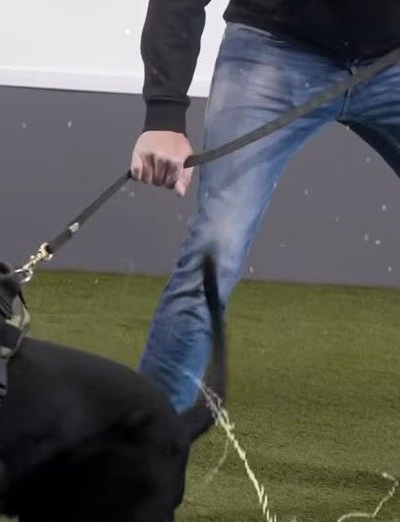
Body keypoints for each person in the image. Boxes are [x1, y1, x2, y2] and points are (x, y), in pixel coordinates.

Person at [131, 0, 400, 411]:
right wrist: (164, 117)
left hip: (391, 60)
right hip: (274, 51)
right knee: (215, 250)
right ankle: (146, 441)